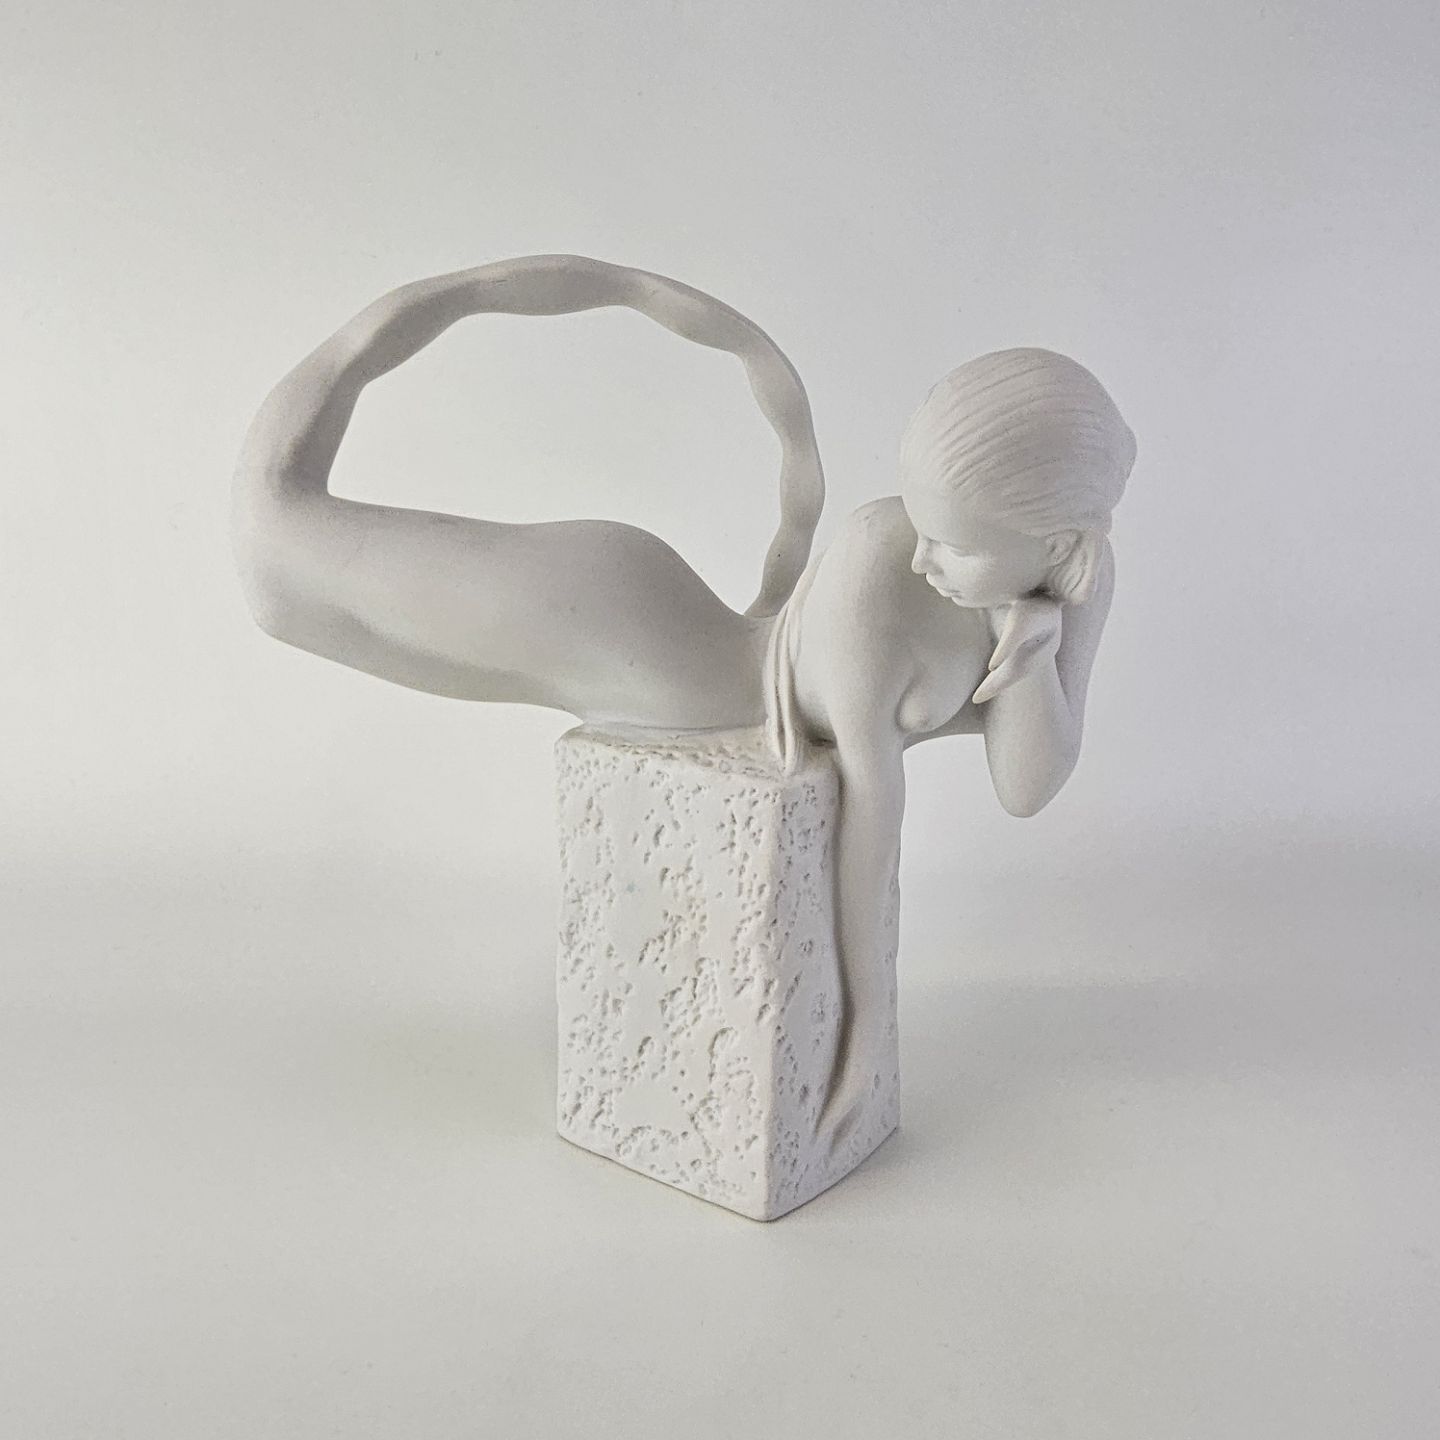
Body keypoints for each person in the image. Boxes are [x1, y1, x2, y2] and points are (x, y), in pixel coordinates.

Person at [232, 255, 1135, 1150]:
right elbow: (870, 809)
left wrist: (1029, 658)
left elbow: (1028, 786)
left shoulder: (1073, 587)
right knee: (281, 560)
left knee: (303, 597)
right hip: (661, 647)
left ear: (1059, 544)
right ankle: (399, 323)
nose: (924, 558)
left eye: (957, 545)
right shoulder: (878, 558)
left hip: (669, 664)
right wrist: (861, 1031)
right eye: (922, 520)